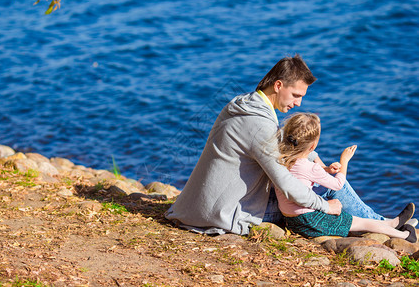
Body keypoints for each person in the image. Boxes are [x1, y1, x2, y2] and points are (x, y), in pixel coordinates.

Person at [165, 54, 417, 235]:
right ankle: (385, 224)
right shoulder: (260, 126)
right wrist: (325, 207)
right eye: (296, 95)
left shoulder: (242, 104)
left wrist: (312, 160)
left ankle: (385, 222)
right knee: (328, 191)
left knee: (316, 172)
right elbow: (287, 185)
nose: (298, 104)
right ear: (278, 85)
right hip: (225, 212)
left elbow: (275, 154)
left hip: (199, 204)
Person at [275, 112, 417, 242]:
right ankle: (405, 235)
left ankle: (390, 223)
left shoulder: (281, 161)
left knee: (357, 220)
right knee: (363, 222)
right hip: (310, 220)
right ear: (313, 146)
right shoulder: (311, 167)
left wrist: (326, 169)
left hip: (292, 221)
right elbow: (338, 185)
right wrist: (344, 161)